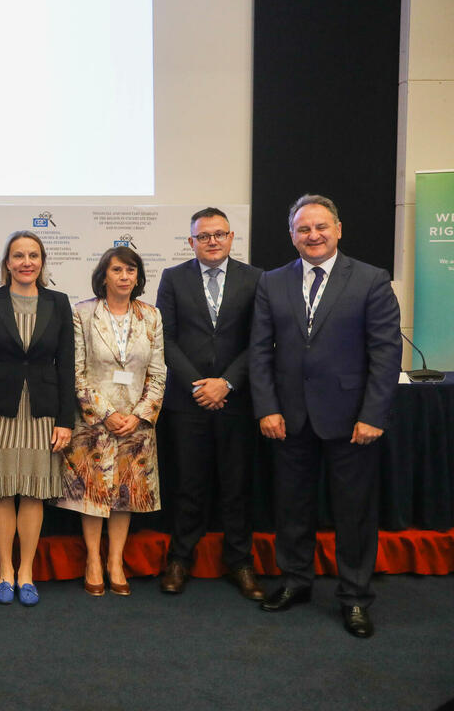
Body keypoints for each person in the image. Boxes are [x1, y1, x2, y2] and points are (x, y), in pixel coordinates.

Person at [250, 194, 401, 638]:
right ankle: (296, 581)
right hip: (289, 417)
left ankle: (354, 597)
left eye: (320, 227)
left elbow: (385, 353)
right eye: (303, 229)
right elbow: (259, 351)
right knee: (291, 507)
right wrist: (267, 407)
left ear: (338, 229)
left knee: (354, 513)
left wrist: (373, 414)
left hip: (352, 420)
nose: (312, 235)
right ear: (292, 235)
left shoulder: (371, 279)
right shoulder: (272, 282)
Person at [155, 208, 265, 600]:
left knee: (237, 486)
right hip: (188, 403)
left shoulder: (256, 279)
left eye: (219, 234)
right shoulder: (173, 278)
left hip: (237, 401)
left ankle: (240, 562)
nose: (212, 241)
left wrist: (226, 383)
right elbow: (165, 338)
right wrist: (199, 386)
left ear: (231, 237)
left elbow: (259, 339)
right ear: (191, 242)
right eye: (203, 236)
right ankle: (179, 560)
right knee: (188, 485)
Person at [0, 232, 75, 607]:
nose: (26, 262)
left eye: (33, 255)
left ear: (42, 262)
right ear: (7, 263)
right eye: (18, 256)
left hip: (43, 412)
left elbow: (67, 366)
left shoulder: (58, 302)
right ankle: (5, 572)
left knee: (32, 492)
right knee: (1, 491)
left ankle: (26, 572)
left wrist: (66, 420)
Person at [58, 246, 165, 596]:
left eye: (130, 271)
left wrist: (139, 415)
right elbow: (76, 372)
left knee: (125, 494)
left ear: (138, 277)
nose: (124, 277)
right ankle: (93, 559)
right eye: (117, 270)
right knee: (93, 492)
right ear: (104, 275)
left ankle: (115, 561)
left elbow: (158, 373)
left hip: (136, 424)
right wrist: (107, 414)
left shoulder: (151, 316)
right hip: (94, 422)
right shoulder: (82, 313)